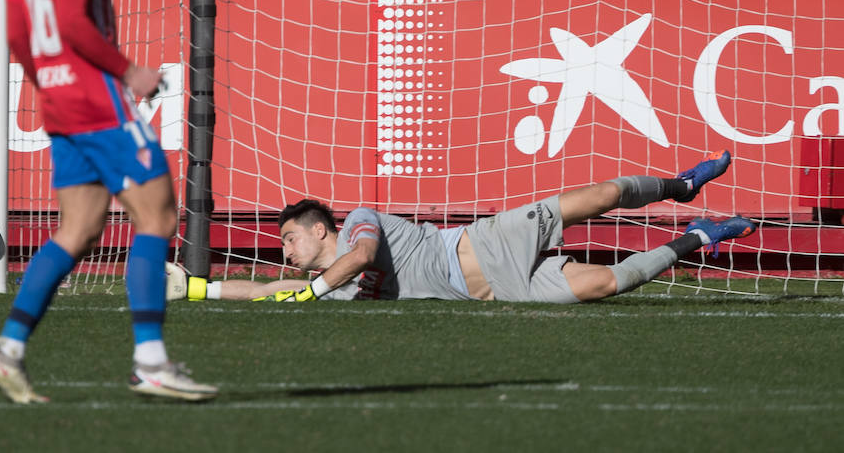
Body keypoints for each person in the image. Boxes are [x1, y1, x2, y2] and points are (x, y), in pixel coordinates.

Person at [0, 0, 216, 404]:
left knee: (80, 230)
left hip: (56, 98)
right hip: (95, 96)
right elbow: (73, 17)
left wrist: (47, 80)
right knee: (157, 217)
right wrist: (126, 72)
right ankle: (151, 361)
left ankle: (8, 351)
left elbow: (15, 27)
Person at [168, 151, 754, 305]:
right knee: (607, 286)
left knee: (600, 196)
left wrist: (312, 292)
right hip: (497, 291)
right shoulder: (325, 284)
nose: (285, 247)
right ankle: (700, 236)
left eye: (290, 236)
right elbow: (267, 291)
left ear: (322, 228)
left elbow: (365, 255)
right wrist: (196, 289)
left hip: (488, 240)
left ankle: (681, 187)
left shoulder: (358, 225)